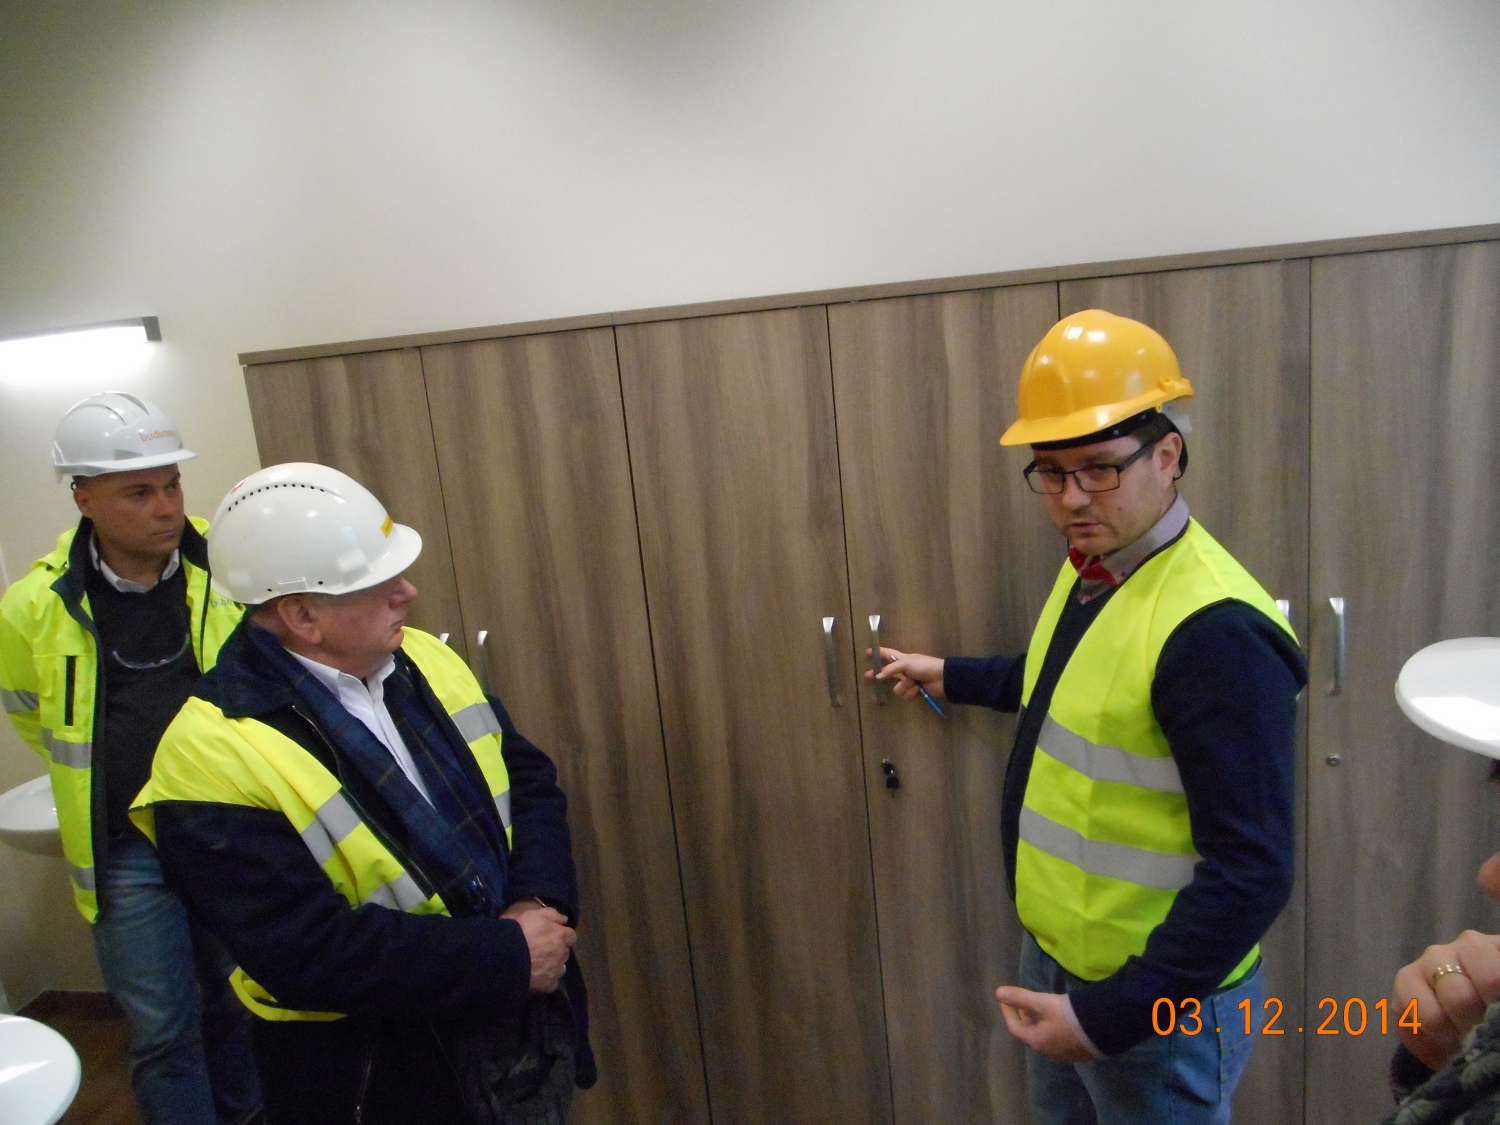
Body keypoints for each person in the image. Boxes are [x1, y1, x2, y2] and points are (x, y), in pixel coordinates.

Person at [871, 310, 1308, 1124]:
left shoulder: (1215, 631)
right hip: (1062, 963)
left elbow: (1253, 870)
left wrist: (1110, 1018)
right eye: (1052, 472)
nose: (1072, 498)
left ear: (1167, 455)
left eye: (1100, 469)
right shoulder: (1102, 563)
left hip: (1155, 1005)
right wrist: (950, 674)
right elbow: (1064, 680)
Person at [130, 462, 594, 1125]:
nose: (408, 591)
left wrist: (536, 904)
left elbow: (527, 781)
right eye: (379, 584)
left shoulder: (424, 659)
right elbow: (304, 950)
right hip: (377, 1073)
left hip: (516, 1031)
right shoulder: (207, 756)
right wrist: (505, 954)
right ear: (302, 615)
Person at [0, 392, 262, 1124]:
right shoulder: (35, 604)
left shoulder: (231, 567)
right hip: (125, 850)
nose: (167, 507)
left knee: (243, 1003)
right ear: (83, 498)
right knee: (163, 1030)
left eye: (172, 485)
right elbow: (33, 714)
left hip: (228, 830)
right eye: (139, 492)